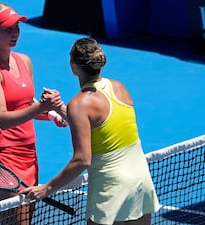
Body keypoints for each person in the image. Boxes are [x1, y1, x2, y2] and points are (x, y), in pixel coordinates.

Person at [20, 38, 160, 225]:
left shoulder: (79, 105)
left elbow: (82, 160)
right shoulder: (118, 87)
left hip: (112, 190)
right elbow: (100, 128)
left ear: (74, 67)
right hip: (140, 183)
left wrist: (47, 188)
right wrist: (60, 107)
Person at [0, 2, 67, 224]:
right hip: (3, 157)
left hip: (29, 154)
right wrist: (43, 106)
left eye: (16, 27)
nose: (14, 33)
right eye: (7, 29)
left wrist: (52, 114)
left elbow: (26, 106)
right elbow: (2, 119)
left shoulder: (24, 61)